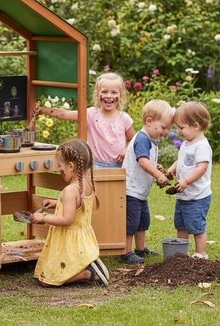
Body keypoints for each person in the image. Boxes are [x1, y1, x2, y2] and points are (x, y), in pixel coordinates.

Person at [31, 139, 109, 287]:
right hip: (81, 238)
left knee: (46, 282)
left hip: (70, 242)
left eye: (60, 166)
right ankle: (88, 266)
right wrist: (56, 203)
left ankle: (89, 273)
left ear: (71, 166)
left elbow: (67, 220)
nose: (59, 170)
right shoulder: (86, 184)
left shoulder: (70, 190)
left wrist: (43, 217)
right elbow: (77, 206)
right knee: (46, 277)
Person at [36, 72, 135, 168]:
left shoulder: (124, 118)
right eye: (104, 92)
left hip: (120, 166)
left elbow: (133, 139)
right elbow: (66, 114)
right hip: (95, 165)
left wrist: (127, 150)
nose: (109, 96)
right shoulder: (91, 114)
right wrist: (44, 110)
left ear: (121, 96)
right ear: (97, 95)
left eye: (114, 92)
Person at [119, 99, 174, 264]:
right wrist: (158, 175)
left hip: (140, 192)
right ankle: (125, 253)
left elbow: (145, 160)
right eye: (163, 127)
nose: (165, 131)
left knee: (142, 221)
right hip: (131, 191)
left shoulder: (149, 139)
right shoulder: (142, 138)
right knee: (131, 222)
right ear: (149, 121)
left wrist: (156, 167)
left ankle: (140, 248)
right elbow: (142, 161)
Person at [165, 102, 212, 260]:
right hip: (183, 196)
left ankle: (200, 253)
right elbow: (181, 161)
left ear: (196, 126)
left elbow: (201, 168)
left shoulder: (202, 146)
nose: (179, 131)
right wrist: (172, 168)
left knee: (197, 226)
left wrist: (185, 181)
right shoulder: (186, 144)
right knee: (181, 225)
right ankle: (181, 253)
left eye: (182, 127)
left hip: (197, 197)